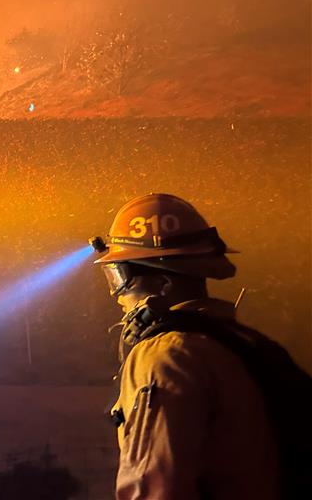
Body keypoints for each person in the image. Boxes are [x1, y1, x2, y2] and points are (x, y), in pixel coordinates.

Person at [90, 193, 286, 500]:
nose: (116, 294)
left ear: (165, 284)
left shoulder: (166, 355)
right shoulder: (241, 345)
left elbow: (153, 489)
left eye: (119, 277)